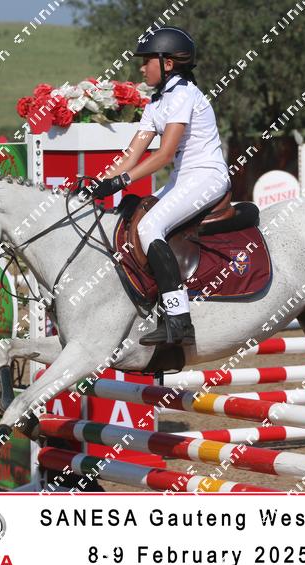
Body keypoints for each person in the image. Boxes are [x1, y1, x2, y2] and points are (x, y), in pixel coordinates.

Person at [91, 27, 230, 346]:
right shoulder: (156, 104)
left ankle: (179, 320)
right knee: (135, 219)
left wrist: (121, 181)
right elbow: (131, 154)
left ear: (168, 64)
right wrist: (97, 182)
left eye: (147, 61)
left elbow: (165, 154)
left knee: (149, 226)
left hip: (207, 176)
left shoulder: (182, 95)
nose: (142, 68)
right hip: (184, 178)